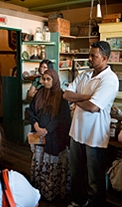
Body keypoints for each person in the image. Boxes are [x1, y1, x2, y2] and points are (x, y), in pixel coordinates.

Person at [63, 41, 119, 207]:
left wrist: (79, 98)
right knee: (76, 172)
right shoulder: (85, 75)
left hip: (95, 135)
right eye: (89, 54)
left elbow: (94, 107)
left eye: (93, 56)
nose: (89, 58)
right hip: (77, 131)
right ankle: (79, 201)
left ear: (105, 58)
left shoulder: (110, 79)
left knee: (95, 178)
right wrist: (86, 97)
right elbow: (66, 94)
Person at [27, 69, 71, 201]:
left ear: (54, 80)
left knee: (53, 164)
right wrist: (36, 126)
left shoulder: (61, 96)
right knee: (40, 162)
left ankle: (54, 192)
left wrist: (46, 129)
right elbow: (31, 110)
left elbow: (62, 118)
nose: (45, 82)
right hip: (39, 136)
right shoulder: (39, 94)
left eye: (48, 79)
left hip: (55, 138)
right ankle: (40, 189)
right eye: (44, 79)